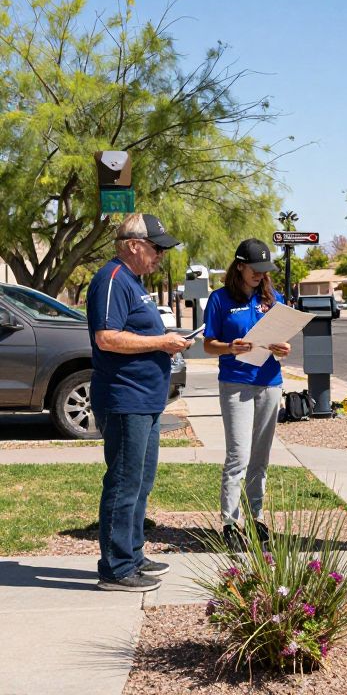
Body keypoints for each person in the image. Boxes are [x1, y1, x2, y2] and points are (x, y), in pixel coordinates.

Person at [87, 214, 193, 591]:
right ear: (133, 245)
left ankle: (131, 553)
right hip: (124, 398)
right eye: (157, 247)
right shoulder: (113, 279)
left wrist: (168, 339)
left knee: (141, 481)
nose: (161, 255)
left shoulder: (132, 282)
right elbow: (107, 338)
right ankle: (115, 568)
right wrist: (162, 343)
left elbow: (133, 332)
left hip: (145, 399)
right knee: (123, 482)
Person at [203, 238, 291, 551]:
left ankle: (256, 517)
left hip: (269, 381)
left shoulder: (272, 297)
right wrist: (229, 347)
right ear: (240, 266)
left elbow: (281, 341)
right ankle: (230, 522)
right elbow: (208, 343)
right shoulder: (219, 299)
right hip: (236, 383)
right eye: (255, 269)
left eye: (265, 270)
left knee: (260, 458)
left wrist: (283, 348)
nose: (260, 274)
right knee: (238, 456)